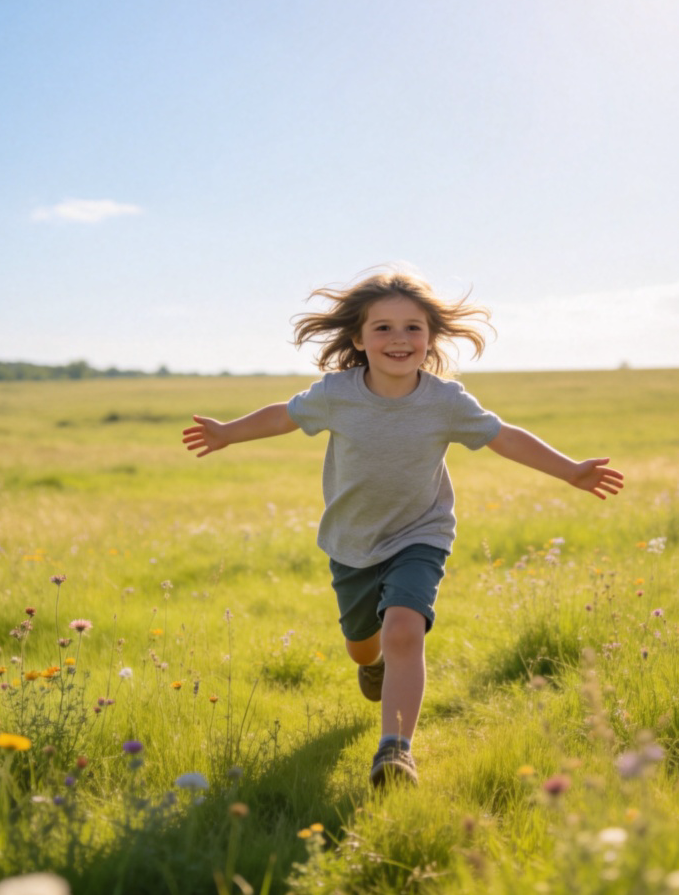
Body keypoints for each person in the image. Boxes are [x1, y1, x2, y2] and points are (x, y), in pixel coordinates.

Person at [182, 269, 624, 787]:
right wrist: (228, 434)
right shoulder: (337, 394)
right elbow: (284, 415)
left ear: (431, 338)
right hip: (352, 541)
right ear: (359, 338)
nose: (399, 340)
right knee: (363, 644)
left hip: (421, 534)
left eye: (413, 328)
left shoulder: (445, 401)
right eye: (384, 328)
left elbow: (504, 436)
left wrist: (570, 469)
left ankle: (395, 751)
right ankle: (370, 667)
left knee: (404, 632)